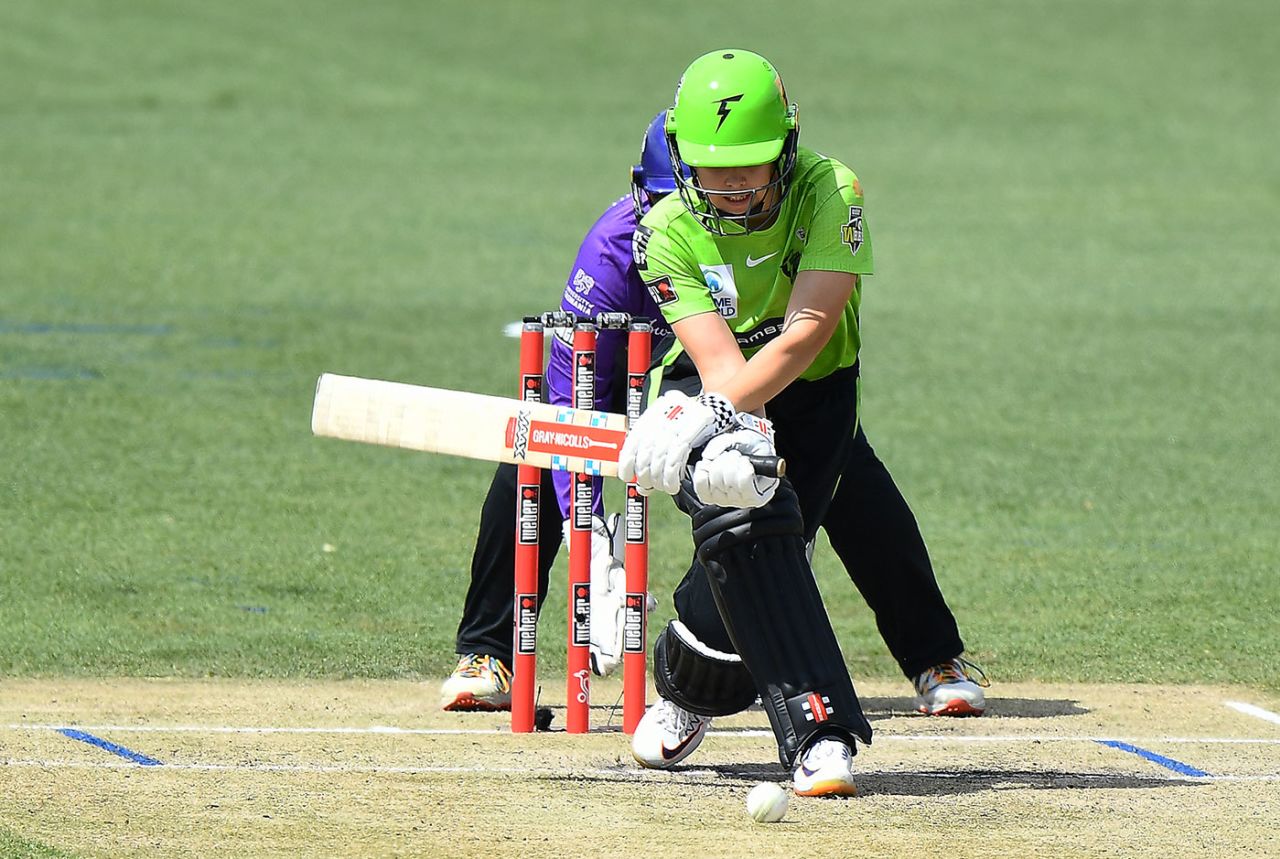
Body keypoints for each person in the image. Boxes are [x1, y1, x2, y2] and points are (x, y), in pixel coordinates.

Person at [618, 49, 985, 796]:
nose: (731, 186)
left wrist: (723, 416)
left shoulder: (830, 191)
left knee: (772, 531)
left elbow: (807, 332)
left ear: (785, 147)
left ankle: (687, 689)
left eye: (748, 167)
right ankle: (821, 736)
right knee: (749, 524)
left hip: (816, 391)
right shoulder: (663, 229)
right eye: (713, 168)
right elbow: (718, 359)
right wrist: (722, 421)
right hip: (710, 381)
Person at [438, 113, 676, 710]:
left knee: (800, 472)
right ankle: (489, 652)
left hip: (708, 377)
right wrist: (588, 543)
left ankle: (739, 658)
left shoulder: (752, 237)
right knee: (530, 460)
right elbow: (569, 404)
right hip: (613, 380)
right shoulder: (612, 249)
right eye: (661, 206)